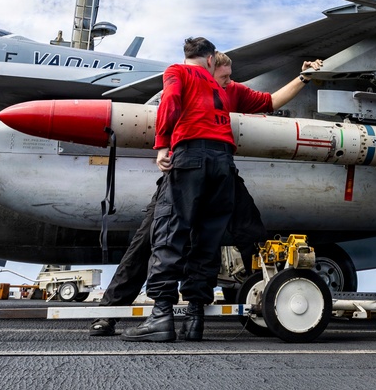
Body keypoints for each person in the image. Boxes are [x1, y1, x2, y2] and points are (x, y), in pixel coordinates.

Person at [89, 52, 322, 338]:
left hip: (218, 171)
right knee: (148, 239)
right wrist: (164, 146)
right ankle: (109, 313)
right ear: (208, 70)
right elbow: (168, 108)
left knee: (249, 230)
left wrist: (303, 77)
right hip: (186, 170)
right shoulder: (189, 82)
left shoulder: (230, 90)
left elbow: (270, 102)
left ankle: (268, 299)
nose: (229, 82)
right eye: (224, 76)